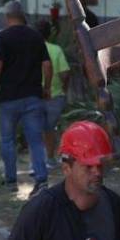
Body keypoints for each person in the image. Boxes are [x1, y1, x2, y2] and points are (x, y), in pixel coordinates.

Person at [0, 0, 52, 193]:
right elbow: (47, 65)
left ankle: (11, 181)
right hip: (33, 96)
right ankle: (41, 180)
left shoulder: (2, 36)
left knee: (8, 140)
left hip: (9, 98)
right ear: (23, 15)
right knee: (35, 140)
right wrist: (46, 88)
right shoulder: (36, 36)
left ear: (7, 17)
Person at [35, 18, 72, 167]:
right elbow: (65, 73)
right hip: (55, 96)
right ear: (49, 34)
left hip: (33, 95)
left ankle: (38, 161)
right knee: (49, 128)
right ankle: (50, 158)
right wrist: (64, 87)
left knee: (37, 129)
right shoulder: (56, 50)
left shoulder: (28, 49)